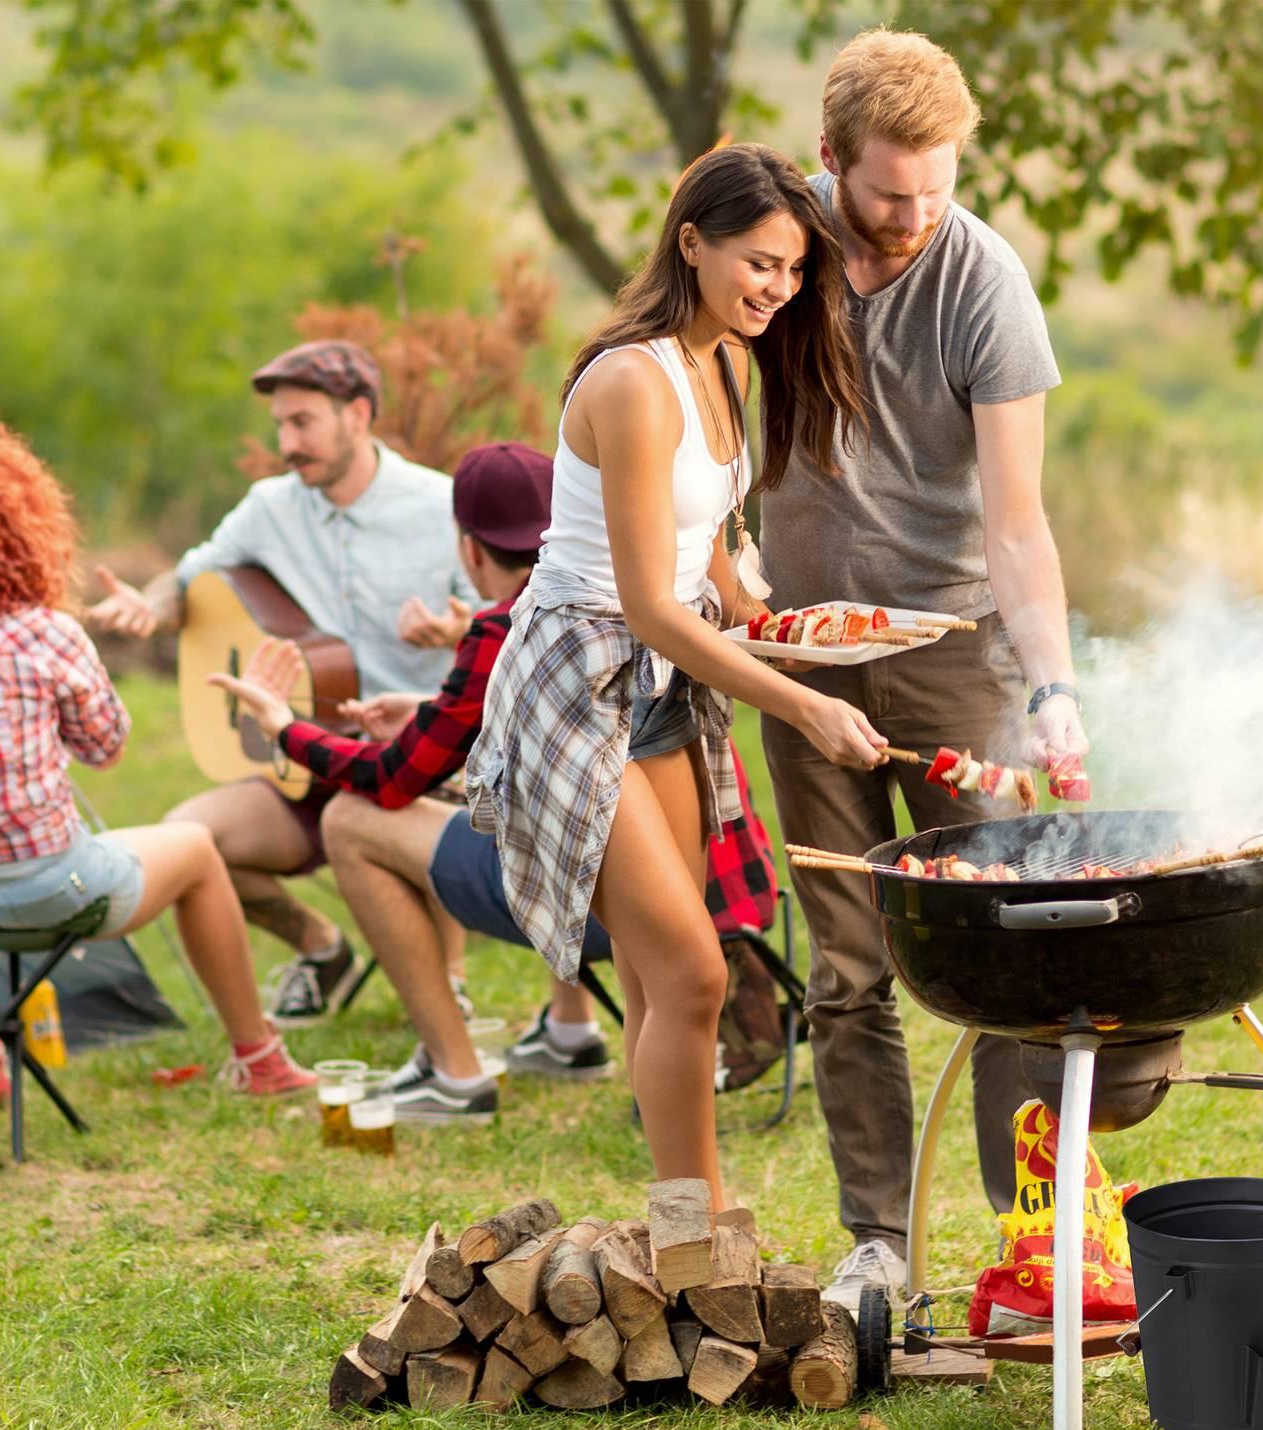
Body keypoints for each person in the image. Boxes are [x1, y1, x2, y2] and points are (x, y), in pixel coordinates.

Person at [465, 142, 886, 1212]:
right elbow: (648, 600)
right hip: (578, 681)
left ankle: (681, 1218)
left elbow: (701, 551)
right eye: (759, 263)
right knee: (697, 974)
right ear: (691, 244)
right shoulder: (632, 381)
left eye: (793, 271)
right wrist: (799, 700)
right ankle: (695, 1228)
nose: (777, 290)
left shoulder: (726, 363)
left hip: (662, 687)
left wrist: (780, 628)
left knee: (671, 978)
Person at [757, 28, 1091, 1310]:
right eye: (889, 193)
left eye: (936, 188)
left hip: (959, 653)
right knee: (846, 968)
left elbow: (1017, 520)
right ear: (830, 158)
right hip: (804, 658)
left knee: (1004, 951)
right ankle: (880, 1248)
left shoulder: (985, 279)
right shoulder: (774, 261)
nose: (913, 216)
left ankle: (1035, 1239)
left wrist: (1051, 687)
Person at [208, 441, 614, 1125]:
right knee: (561, 787)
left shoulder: (498, 629)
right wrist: (424, 714)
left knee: (351, 821)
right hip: (674, 893)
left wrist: (284, 728)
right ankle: (570, 1033)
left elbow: (391, 781)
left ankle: (454, 1076)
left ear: (470, 550)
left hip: (584, 908)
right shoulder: (615, 597)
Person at [88, 341, 481, 1028]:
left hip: (416, 758)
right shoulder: (269, 507)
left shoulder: (440, 505)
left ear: (358, 415)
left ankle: (447, 987)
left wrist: (459, 629)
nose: (287, 442)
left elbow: (503, 619)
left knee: (389, 822)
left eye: (303, 422)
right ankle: (320, 947)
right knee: (188, 839)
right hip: (307, 754)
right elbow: (187, 580)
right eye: (280, 425)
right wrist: (150, 607)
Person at [0, 417, 316, 1109]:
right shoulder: (46, 634)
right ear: (20, 527)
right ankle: (258, 1056)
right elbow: (107, 748)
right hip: (57, 890)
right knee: (195, 849)